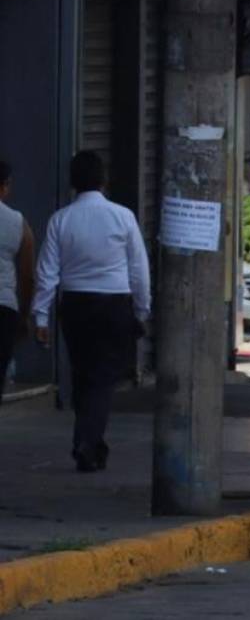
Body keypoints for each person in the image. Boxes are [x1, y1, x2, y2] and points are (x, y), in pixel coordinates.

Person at [32, 152, 150, 472]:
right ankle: (88, 441)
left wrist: (41, 315)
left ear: (73, 183)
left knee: (84, 373)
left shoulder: (61, 219)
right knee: (102, 378)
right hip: (114, 304)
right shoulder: (122, 217)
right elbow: (138, 268)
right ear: (103, 180)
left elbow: (47, 272)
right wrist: (142, 307)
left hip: (75, 306)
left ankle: (88, 441)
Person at [0, 160, 36, 404]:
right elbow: (27, 276)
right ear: (5, 186)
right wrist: (24, 316)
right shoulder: (18, 223)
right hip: (4, 310)